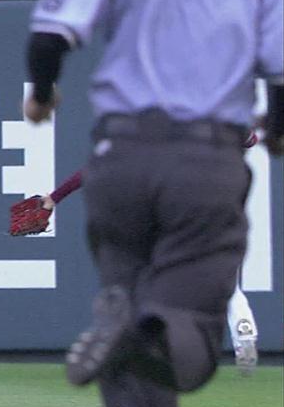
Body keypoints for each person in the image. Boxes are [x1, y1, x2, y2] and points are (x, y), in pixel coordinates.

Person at [22, 0, 282, 407]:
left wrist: (41, 94)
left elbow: (48, 37)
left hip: (120, 160)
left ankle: (125, 325)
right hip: (204, 163)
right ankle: (138, 333)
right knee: (186, 331)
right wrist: (280, 128)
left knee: (130, 330)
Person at [22, 133, 260, 377]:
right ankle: (244, 333)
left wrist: (54, 197)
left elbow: (97, 169)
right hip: (218, 209)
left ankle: (157, 346)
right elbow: (251, 139)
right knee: (226, 283)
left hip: (175, 215)